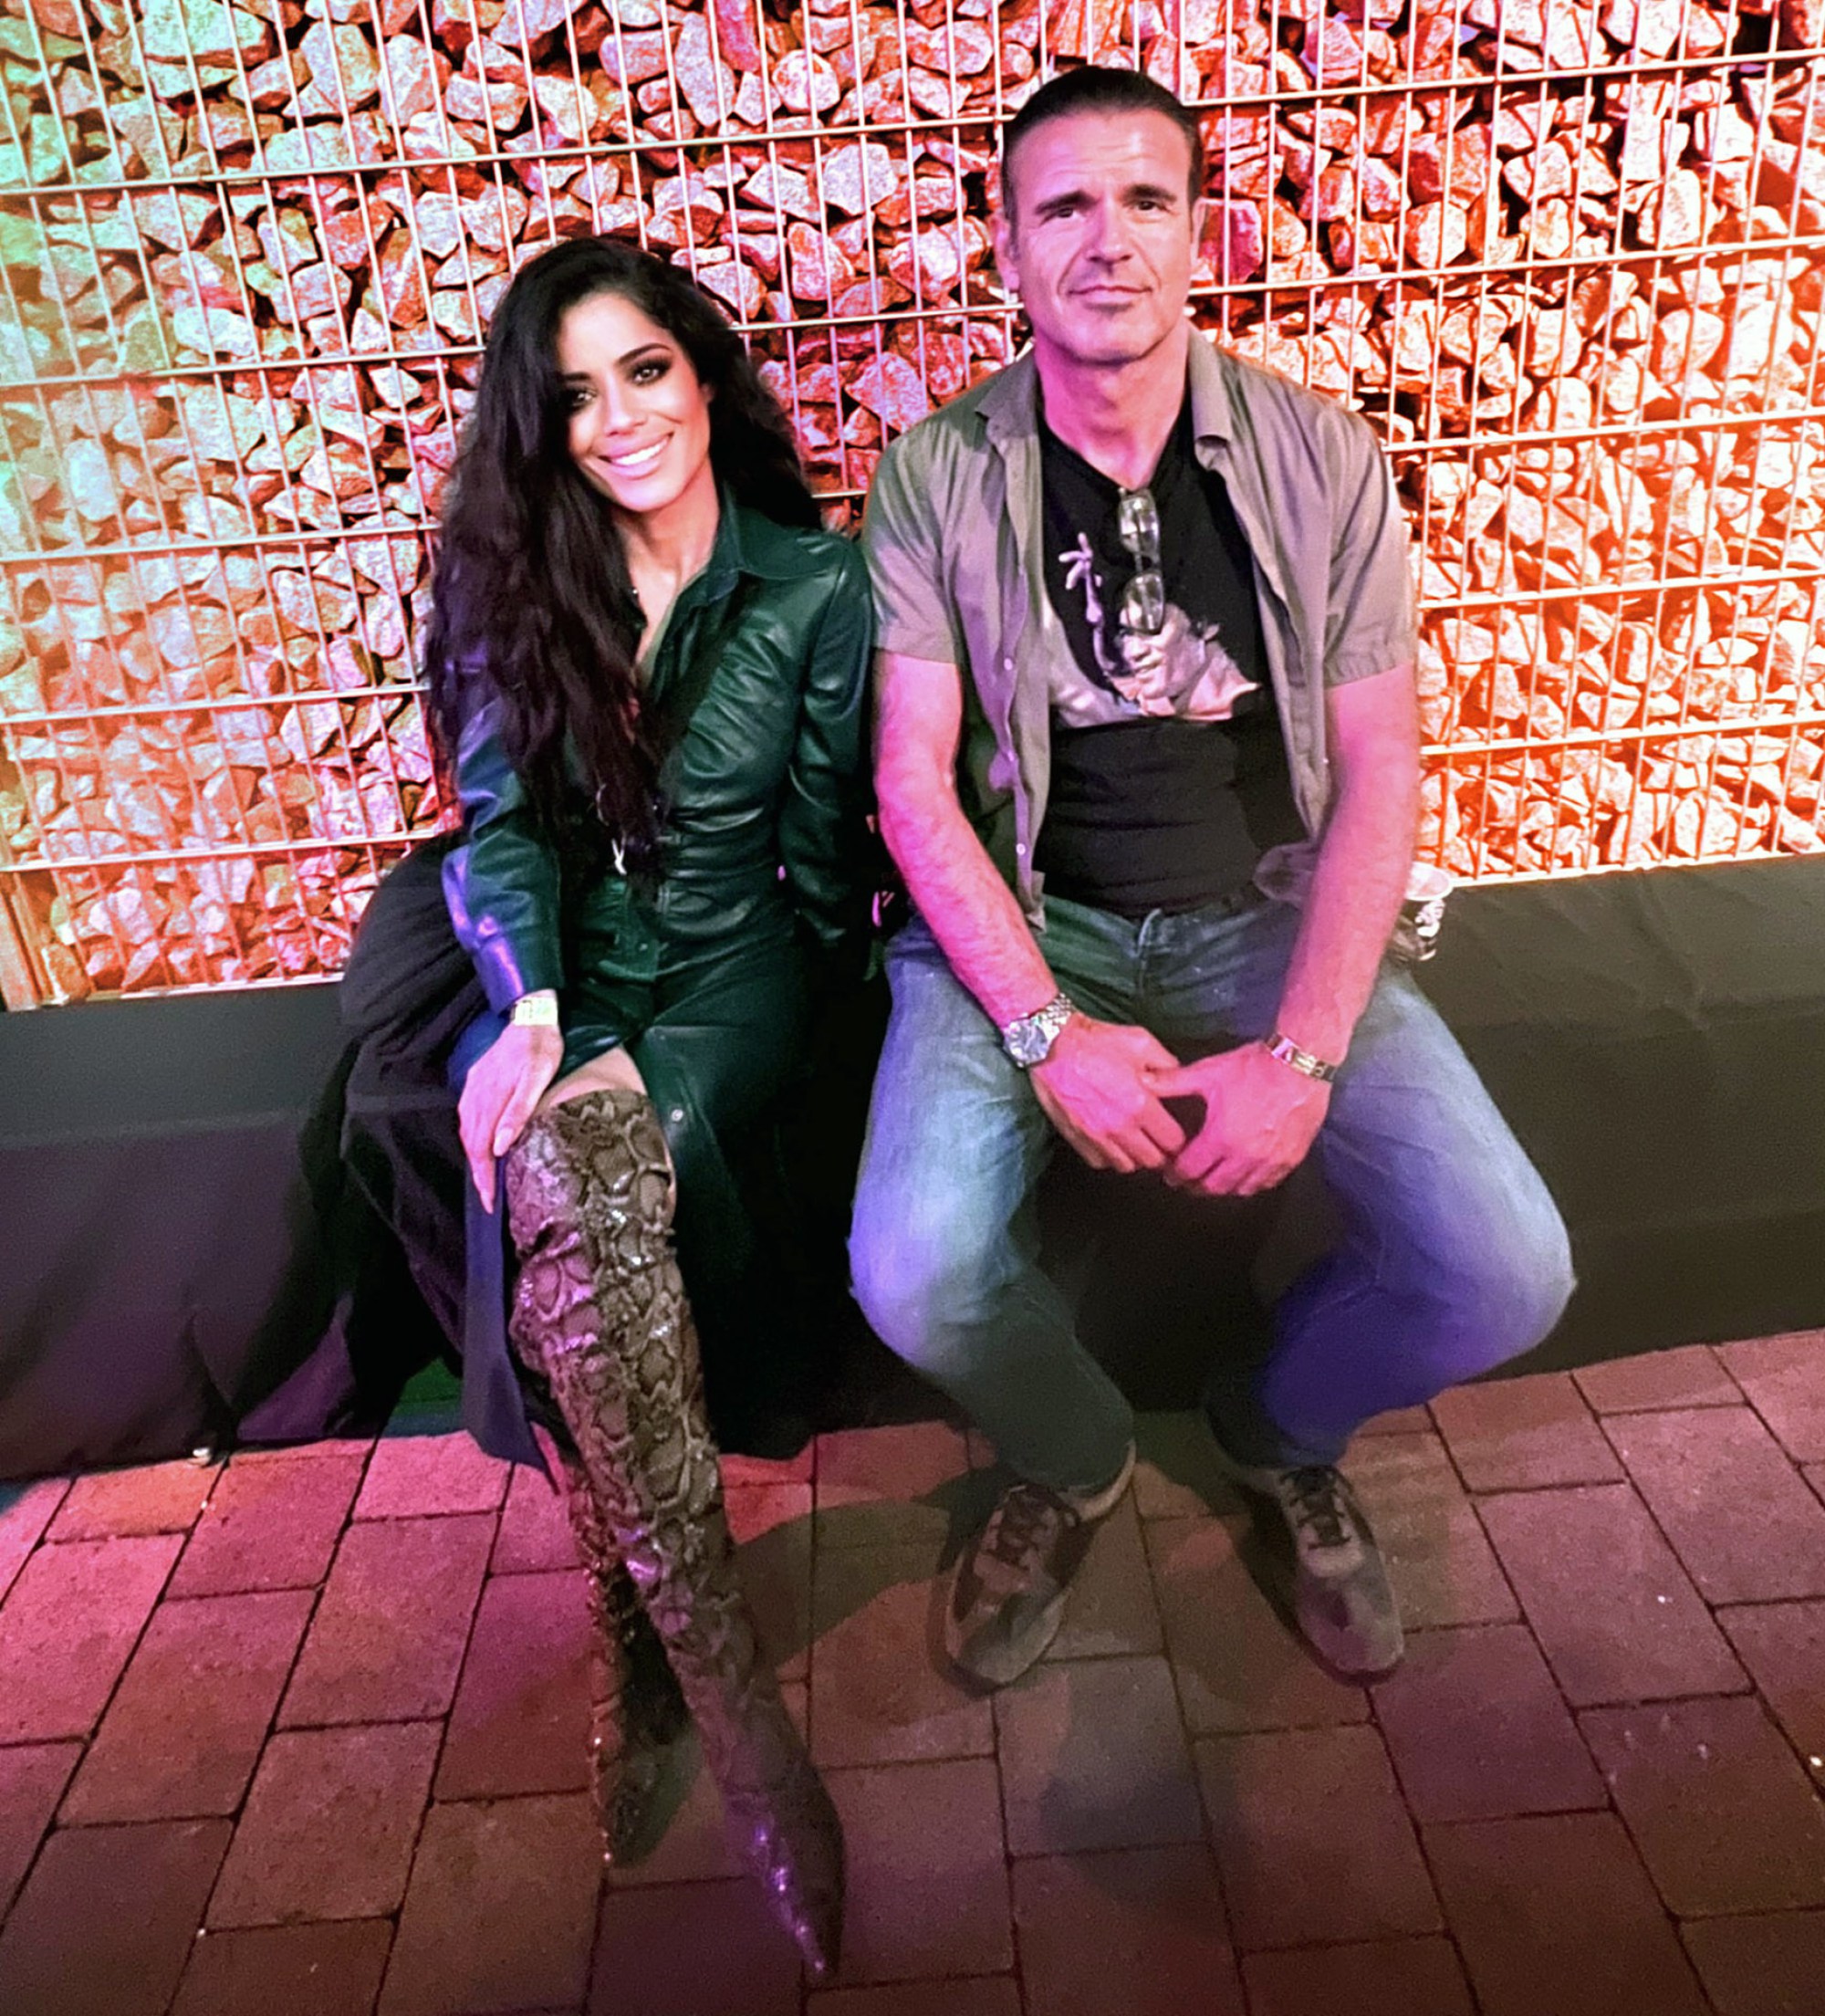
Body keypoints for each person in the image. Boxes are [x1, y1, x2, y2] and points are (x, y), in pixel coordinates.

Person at [850, 67, 1575, 1690]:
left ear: (1202, 233)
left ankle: (1276, 1427)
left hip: (1263, 917)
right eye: (1063, 207)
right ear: (1007, 248)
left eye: (1145, 200)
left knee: (1508, 1268)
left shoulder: (1323, 458)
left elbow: (1383, 771)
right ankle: (1074, 1454)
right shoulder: (936, 475)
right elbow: (911, 781)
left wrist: (1305, 1053)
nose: (1106, 240)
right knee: (912, 1269)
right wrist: (1043, 1028)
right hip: (1031, 921)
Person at [420, 235, 871, 1973]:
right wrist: (535, 1005)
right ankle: (732, 1718)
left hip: (735, 985)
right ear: (538, 428)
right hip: (574, 979)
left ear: (702, 373)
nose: (619, 419)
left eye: (646, 370)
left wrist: (814, 1037)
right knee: (565, 1165)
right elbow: (498, 827)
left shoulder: (815, 588)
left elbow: (819, 872)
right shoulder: (514, 581)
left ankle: (649, 1658)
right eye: (575, 395)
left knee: (579, 1160)